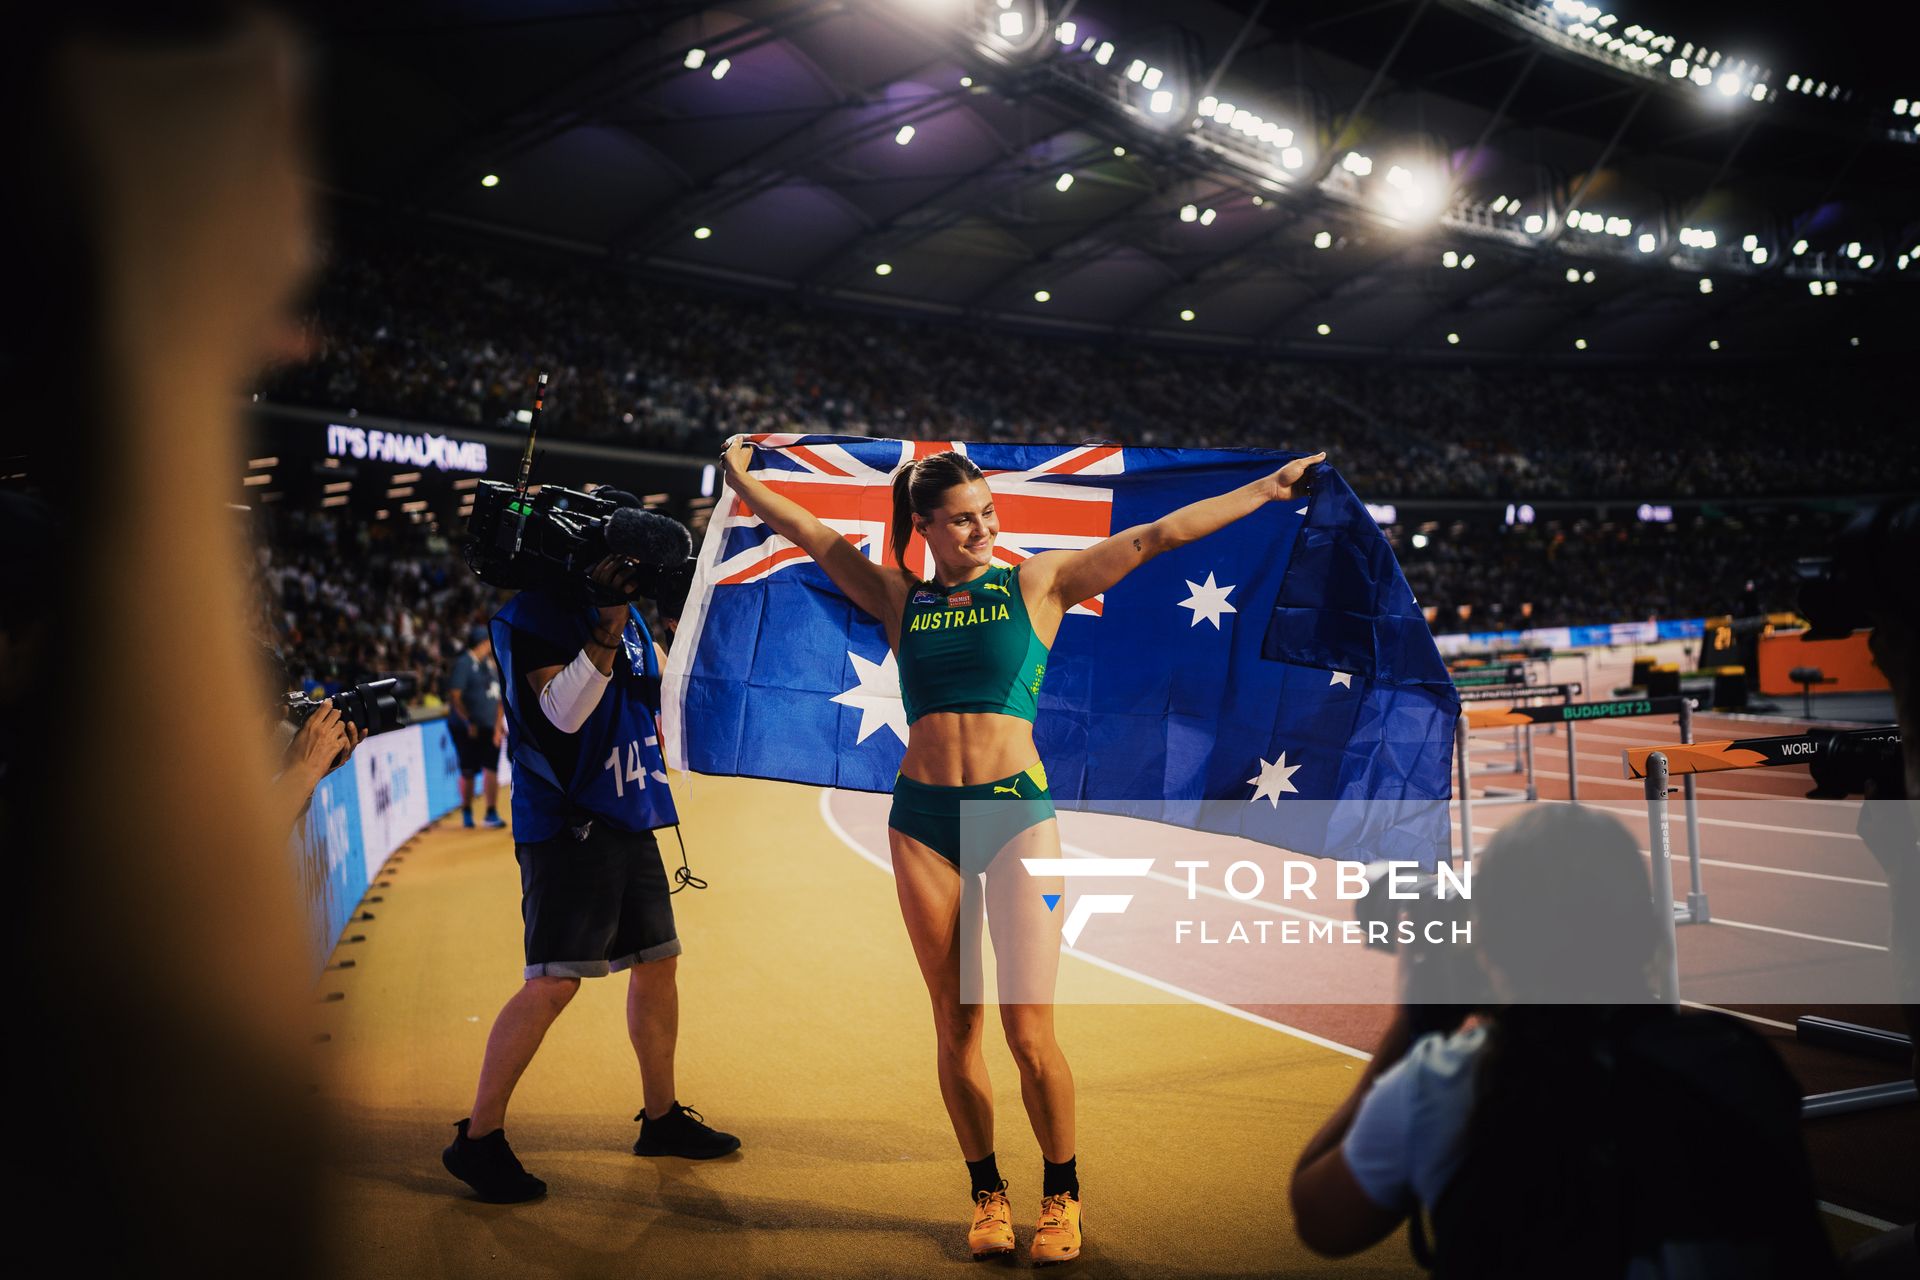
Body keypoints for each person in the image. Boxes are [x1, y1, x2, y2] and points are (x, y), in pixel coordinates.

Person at [719, 438, 1326, 1263]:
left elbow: (1156, 537)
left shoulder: (1037, 583)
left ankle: (1062, 1194)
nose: (983, 530)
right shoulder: (900, 598)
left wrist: (1266, 488)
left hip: (1015, 820)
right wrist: (743, 481)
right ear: (925, 526)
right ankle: (987, 1194)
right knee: (955, 1025)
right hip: (923, 823)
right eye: (964, 520)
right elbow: (816, 537)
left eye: (989, 515)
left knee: (1028, 1032)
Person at [1288, 805, 1838, 1278]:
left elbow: (1320, 1219)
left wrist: (1414, 1023)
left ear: (1491, 944)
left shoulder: (1446, 1085)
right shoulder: (1735, 1060)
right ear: (1644, 932)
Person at [442, 551, 739, 1204]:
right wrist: (606, 624)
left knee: (658, 962)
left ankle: (659, 1119)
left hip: (627, 809)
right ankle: (479, 1137)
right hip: (569, 819)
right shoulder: (540, 613)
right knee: (553, 982)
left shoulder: (627, 615)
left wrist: (665, 617)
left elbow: (659, 690)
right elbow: (562, 714)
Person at [446, 624, 506, 828]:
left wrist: (498, 726)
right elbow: (455, 696)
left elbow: (499, 699)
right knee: (469, 770)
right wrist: (468, 721)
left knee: (491, 766)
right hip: (468, 728)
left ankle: (490, 812)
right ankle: (467, 810)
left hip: (489, 726)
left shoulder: (489, 665)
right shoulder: (465, 663)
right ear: (482, 642)